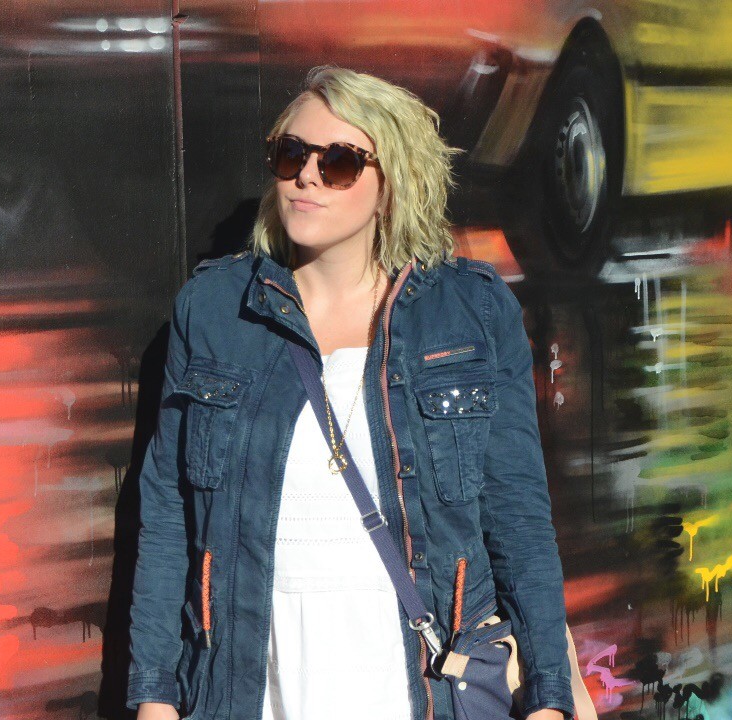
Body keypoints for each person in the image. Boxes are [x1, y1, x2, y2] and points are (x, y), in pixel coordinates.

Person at [127, 65, 576, 720]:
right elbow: (169, 513)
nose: (307, 176)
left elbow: (518, 517)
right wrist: (155, 696)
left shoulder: (470, 313)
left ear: (393, 185)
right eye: (291, 155)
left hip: (421, 690)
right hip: (257, 685)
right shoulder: (216, 310)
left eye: (338, 162)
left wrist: (547, 699)